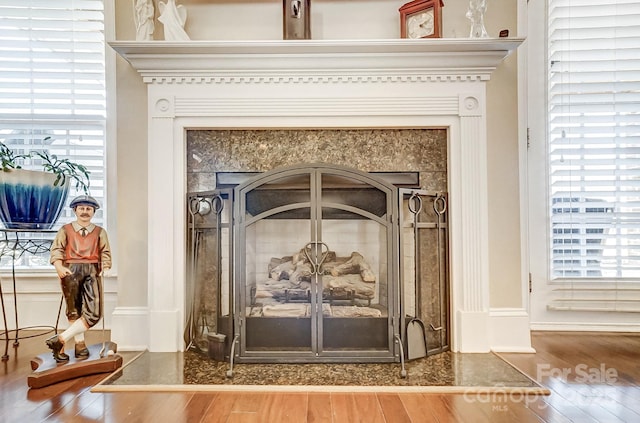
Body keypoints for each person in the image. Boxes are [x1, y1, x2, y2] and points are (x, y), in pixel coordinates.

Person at [45, 195, 112, 362]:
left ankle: (60, 339)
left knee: (94, 312)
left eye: (88, 209)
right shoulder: (65, 230)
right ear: (75, 210)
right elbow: (57, 250)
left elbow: (105, 251)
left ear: (94, 212)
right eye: (81, 208)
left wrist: (106, 266)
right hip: (71, 269)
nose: (85, 212)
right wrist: (59, 266)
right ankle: (80, 345)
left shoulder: (99, 232)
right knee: (74, 309)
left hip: (92, 270)